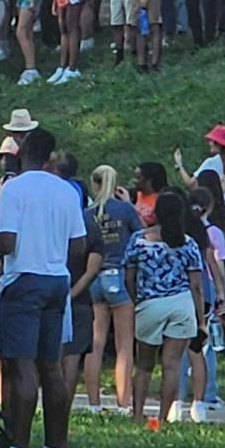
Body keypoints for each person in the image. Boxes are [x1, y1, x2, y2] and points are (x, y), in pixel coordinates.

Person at [0, 126, 87, 448]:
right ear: (51, 158)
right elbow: (79, 245)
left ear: (20, 154)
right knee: (52, 367)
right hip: (57, 280)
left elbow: (6, 242)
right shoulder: (67, 191)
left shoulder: (14, 189)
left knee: (22, 366)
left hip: (24, 278)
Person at [122, 188, 204, 426]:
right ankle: (163, 418)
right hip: (181, 304)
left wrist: (136, 299)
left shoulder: (139, 240)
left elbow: (129, 275)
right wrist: (201, 319)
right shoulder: (188, 243)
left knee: (145, 365)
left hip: (150, 303)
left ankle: (137, 415)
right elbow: (196, 285)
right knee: (172, 366)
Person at [83, 164, 140, 413]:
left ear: (95, 184)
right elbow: (140, 237)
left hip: (94, 277)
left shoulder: (87, 213)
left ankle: (94, 403)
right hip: (118, 274)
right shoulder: (125, 210)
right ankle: (123, 403)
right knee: (124, 344)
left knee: (95, 342)